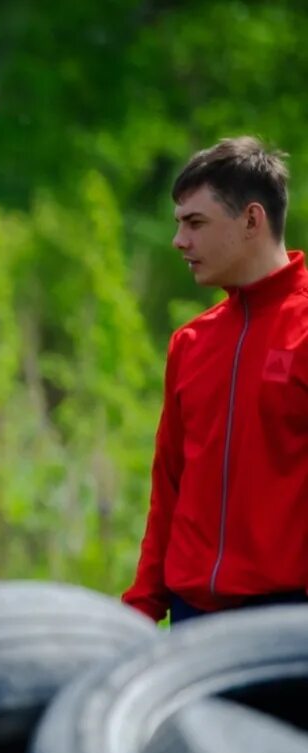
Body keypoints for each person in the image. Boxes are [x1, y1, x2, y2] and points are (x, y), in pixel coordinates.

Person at [123, 136, 308, 624]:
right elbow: (169, 491)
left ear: (251, 220)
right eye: (179, 223)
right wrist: (141, 609)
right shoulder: (191, 344)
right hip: (192, 619)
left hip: (286, 622)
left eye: (195, 223)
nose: (179, 240)